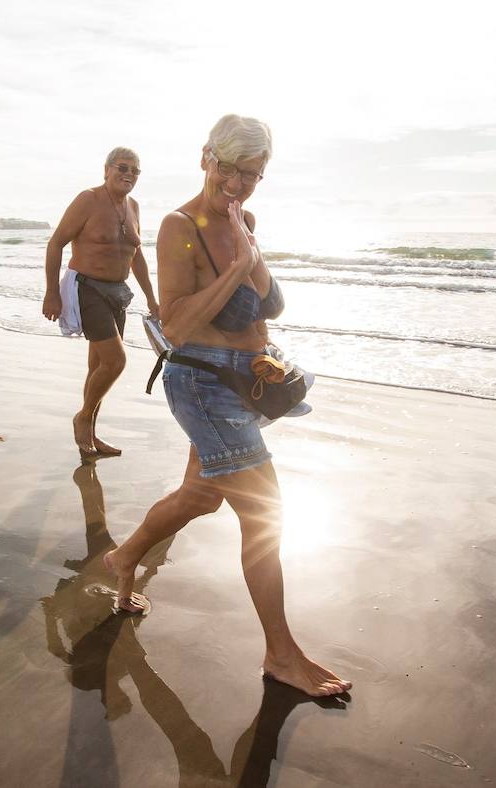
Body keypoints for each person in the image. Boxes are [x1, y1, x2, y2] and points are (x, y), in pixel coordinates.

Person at [103, 115, 352, 698]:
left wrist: (249, 251)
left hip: (248, 381)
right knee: (265, 509)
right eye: (231, 169)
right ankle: (281, 655)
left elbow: (272, 307)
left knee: (203, 494)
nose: (239, 185)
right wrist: (238, 267)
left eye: (253, 175)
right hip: (202, 384)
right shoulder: (176, 226)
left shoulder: (246, 219)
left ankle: (125, 557)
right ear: (205, 158)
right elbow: (178, 322)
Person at [44, 147, 159, 459]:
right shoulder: (88, 200)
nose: (129, 175)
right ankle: (83, 418)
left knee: (98, 366)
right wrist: (51, 292)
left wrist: (152, 298)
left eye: (135, 171)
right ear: (107, 169)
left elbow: (137, 257)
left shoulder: (133, 206)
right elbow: (56, 243)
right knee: (115, 362)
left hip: (117, 292)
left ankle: (90, 434)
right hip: (87, 288)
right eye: (123, 168)